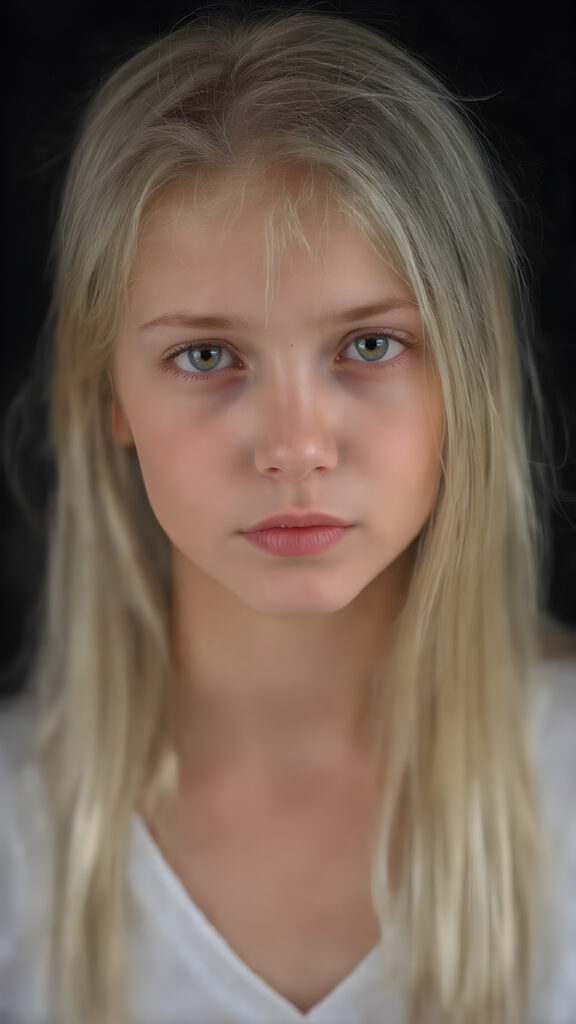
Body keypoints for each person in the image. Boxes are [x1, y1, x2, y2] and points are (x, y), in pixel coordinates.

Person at [1, 7, 575, 1024]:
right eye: (207, 356)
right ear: (110, 400)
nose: (295, 445)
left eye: (368, 345)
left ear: (466, 378)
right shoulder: (17, 833)